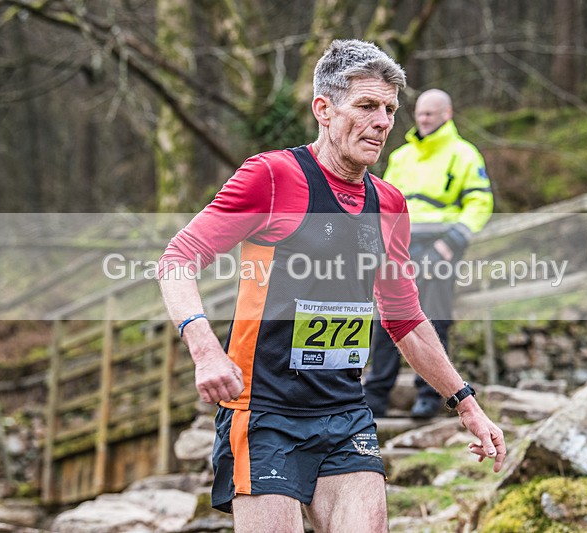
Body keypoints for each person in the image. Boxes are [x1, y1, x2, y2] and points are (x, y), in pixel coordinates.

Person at [158, 40, 504, 532]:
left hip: (344, 412)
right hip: (265, 413)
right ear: (323, 108)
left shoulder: (389, 204)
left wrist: (465, 402)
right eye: (366, 106)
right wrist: (205, 349)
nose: (382, 121)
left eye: (388, 109)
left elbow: (405, 319)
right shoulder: (273, 177)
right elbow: (178, 258)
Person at [363, 89, 494, 419]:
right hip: (399, 246)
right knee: (385, 318)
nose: (422, 119)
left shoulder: (464, 154)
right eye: (419, 113)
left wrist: (453, 240)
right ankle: (376, 393)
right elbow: (384, 203)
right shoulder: (402, 156)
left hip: (440, 245)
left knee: (432, 319)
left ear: (446, 114)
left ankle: (430, 395)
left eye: (430, 114)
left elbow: (480, 202)